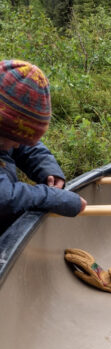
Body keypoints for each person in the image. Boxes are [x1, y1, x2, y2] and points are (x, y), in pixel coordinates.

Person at [0, 59, 85, 233]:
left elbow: (22, 145)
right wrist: (53, 198)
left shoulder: (4, 135)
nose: (17, 145)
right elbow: (4, 197)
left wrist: (47, 168)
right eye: (13, 138)